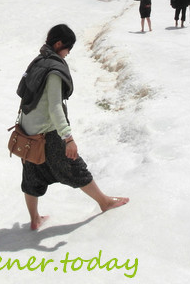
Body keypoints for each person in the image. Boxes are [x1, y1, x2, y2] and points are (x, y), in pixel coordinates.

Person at [17, 25, 129, 230]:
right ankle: (104, 202)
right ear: (59, 44)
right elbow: (55, 107)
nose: (68, 52)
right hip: (47, 133)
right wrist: (68, 138)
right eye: (68, 48)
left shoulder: (38, 62)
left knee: (32, 176)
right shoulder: (53, 70)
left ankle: (34, 219)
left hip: (28, 133)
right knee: (74, 167)